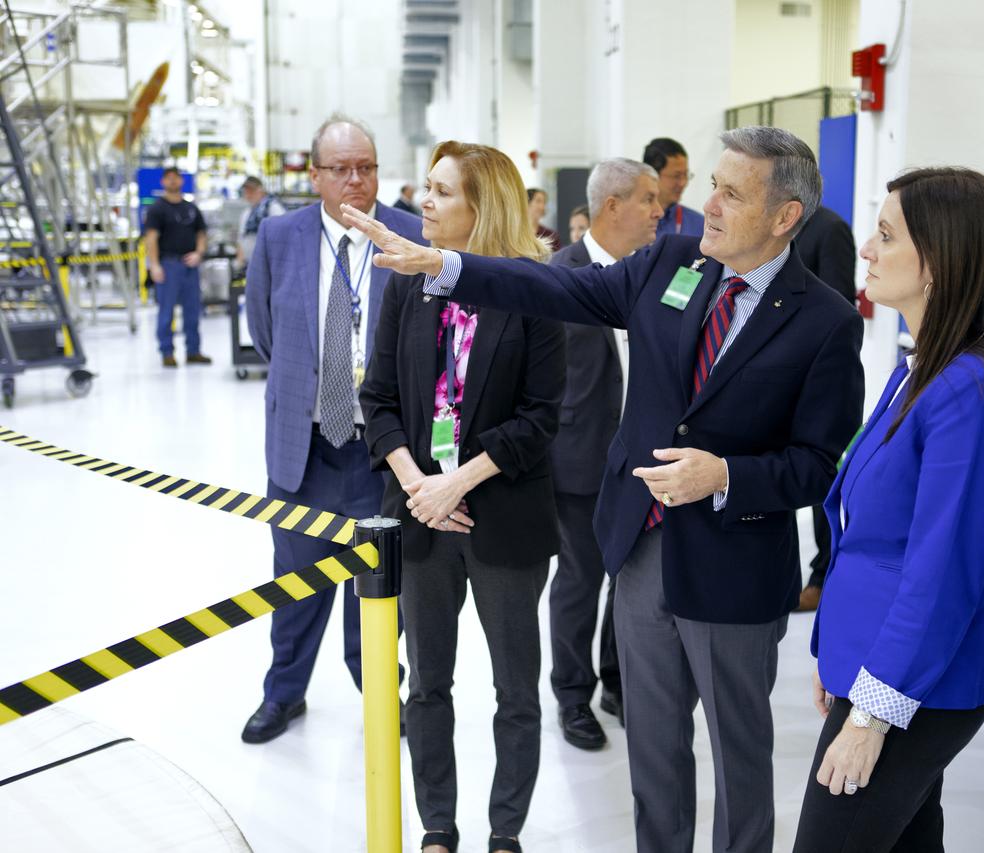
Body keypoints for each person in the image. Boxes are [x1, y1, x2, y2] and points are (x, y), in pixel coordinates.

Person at [343, 125, 863, 853]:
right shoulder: (673, 264)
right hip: (643, 549)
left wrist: (725, 475)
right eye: (711, 184)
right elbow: (557, 284)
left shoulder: (825, 322)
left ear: (784, 217)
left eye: (732, 193)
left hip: (734, 565)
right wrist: (448, 265)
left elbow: (817, 462)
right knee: (652, 751)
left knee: (740, 755)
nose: (705, 205)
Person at [794, 168, 984, 853]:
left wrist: (870, 711)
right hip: (882, 663)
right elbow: (870, 535)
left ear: (937, 260)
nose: (865, 252)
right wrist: (836, 655)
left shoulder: (971, 393)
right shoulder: (921, 368)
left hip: (916, 684)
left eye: (884, 235)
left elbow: (942, 573)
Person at [360, 141, 565, 853]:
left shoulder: (531, 290)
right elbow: (377, 398)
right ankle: (437, 826)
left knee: (515, 689)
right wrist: (421, 487)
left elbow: (541, 417)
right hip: (422, 518)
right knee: (427, 686)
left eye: (443, 192)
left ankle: (504, 829)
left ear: (482, 209)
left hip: (500, 516)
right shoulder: (405, 286)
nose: (425, 200)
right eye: (429, 186)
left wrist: (460, 479)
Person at [242, 114, 422, 744]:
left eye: (367, 167)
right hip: (305, 446)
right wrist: (314, 386)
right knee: (294, 581)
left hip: (383, 452)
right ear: (314, 175)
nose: (356, 181)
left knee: (377, 587)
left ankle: (377, 691)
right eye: (341, 169)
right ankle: (283, 693)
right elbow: (266, 332)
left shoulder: (409, 234)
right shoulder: (279, 237)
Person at [546, 158, 662, 751]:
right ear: (611, 206)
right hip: (579, 461)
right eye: (648, 200)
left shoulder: (660, 272)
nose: (659, 211)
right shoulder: (559, 274)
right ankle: (571, 695)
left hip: (646, 462)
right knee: (580, 580)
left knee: (631, 581)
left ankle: (618, 682)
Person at [791, 205, 862, 613]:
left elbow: (838, 307)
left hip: (816, 373)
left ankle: (823, 576)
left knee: (822, 473)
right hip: (783, 372)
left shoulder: (829, 228)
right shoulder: (776, 223)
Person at [143, 167, 210, 367]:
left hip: (190, 267)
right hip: (168, 265)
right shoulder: (157, 209)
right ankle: (167, 352)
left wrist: (199, 253)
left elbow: (201, 233)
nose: (173, 182)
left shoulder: (191, 208)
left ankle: (193, 351)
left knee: (193, 310)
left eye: (176, 178)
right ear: (163, 182)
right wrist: (154, 265)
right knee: (166, 312)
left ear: (181, 181)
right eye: (169, 178)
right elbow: (151, 239)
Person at [644, 137, 704, 238]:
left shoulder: (699, 225)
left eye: (685, 175)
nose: (683, 183)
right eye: (676, 176)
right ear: (652, 176)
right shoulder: (628, 222)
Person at [236, 176, 286, 269]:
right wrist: (240, 261)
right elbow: (241, 238)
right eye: (246, 191)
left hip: (269, 265)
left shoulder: (273, 208)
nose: (248, 194)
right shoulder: (247, 212)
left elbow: (283, 235)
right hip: (250, 264)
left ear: (260, 191)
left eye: (251, 191)